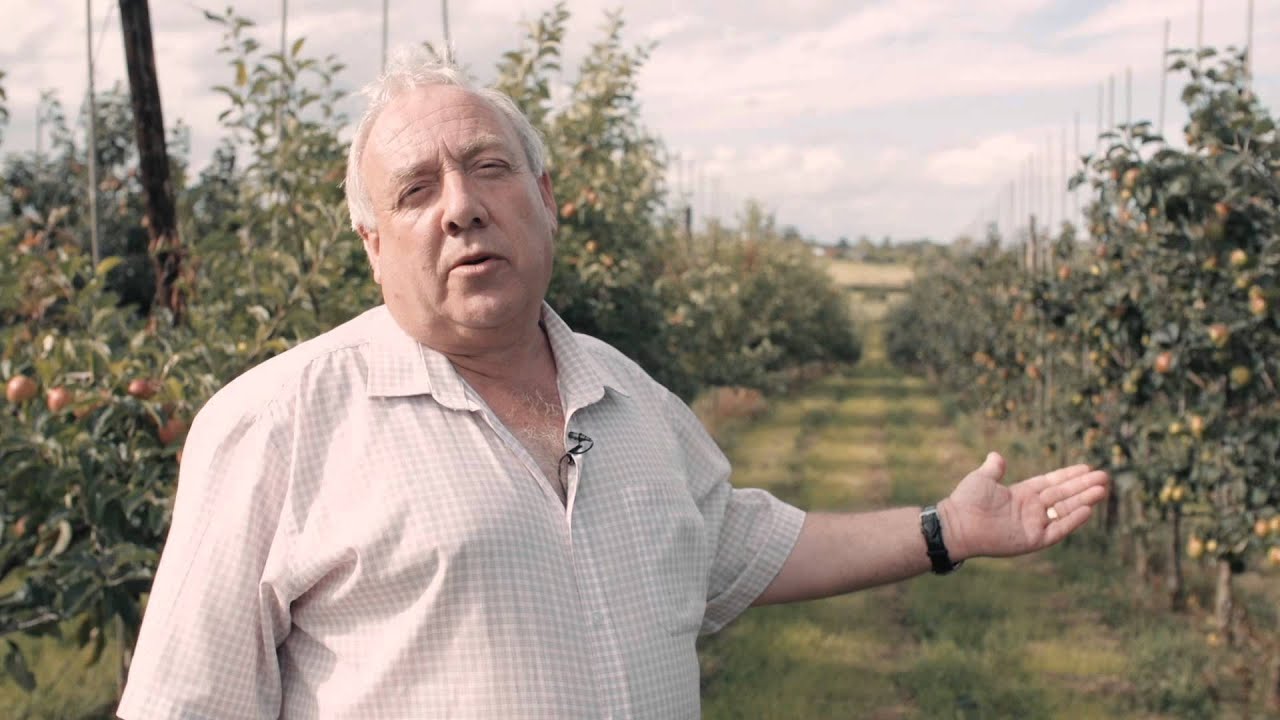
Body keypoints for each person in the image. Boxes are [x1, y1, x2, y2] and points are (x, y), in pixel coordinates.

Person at [116, 47, 1108, 719]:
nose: (460, 208)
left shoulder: (627, 397)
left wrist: (946, 530)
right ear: (373, 245)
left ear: (546, 203)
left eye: (488, 168)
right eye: (416, 191)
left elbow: (737, 545)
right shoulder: (277, 425)